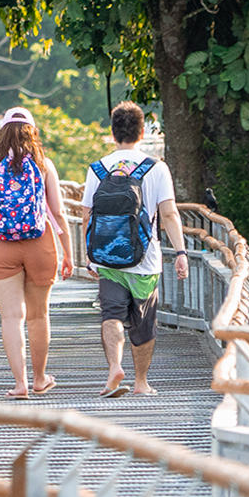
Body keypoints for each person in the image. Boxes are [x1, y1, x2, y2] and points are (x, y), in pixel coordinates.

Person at [79, 101, 189, 398]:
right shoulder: (156, 168)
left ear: (113, 133)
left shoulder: (98, 169)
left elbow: (87, 215)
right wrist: (180, 253)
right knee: (144, 325)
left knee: (111, 315)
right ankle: (141, 383)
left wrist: (88, 256)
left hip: (108, 259)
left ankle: (114, 366)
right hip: (146, 260)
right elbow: (168, 214)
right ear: (142, 132)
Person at [0, 106, 75, 399]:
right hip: (40, 243)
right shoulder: (43, 164)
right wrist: (68, 252)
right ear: (33, 132)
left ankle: (20, 384)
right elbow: (58, 211)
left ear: (2, 132)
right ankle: (40, 378)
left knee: (11, 317)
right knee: (38, 315)